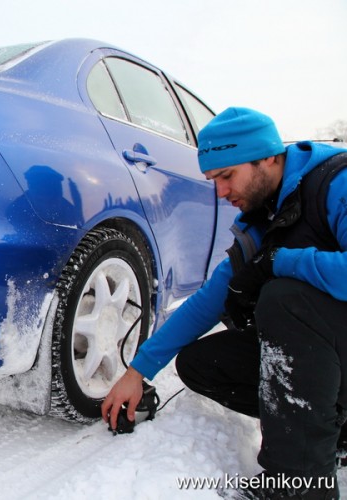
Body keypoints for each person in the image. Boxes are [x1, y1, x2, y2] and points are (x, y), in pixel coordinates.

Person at [101, 107, 347, 499]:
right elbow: (206, 303)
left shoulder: (336, 183)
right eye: (213, 180)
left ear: (268, 157)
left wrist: (284, 262)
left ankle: (299, 485)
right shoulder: (261, 224)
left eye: (227, 175)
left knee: (285, 299)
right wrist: (138, 371)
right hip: (334, 357)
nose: (220, 191)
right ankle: (334, 429)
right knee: (201, 364)